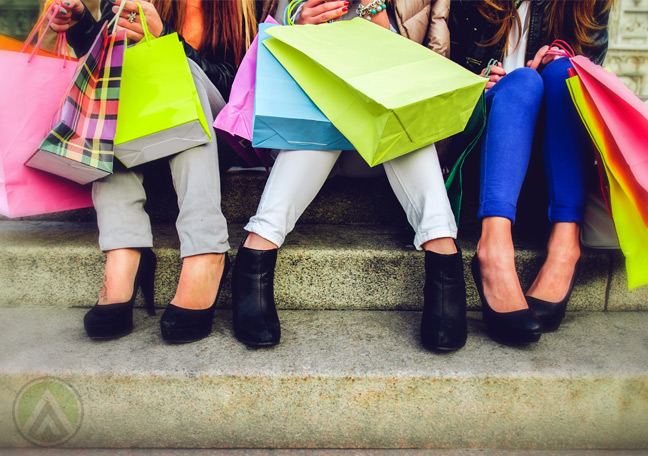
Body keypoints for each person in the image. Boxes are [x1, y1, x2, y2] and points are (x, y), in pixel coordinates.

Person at [232, 0, 468, 352]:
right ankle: (258, 249)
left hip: (377, 145)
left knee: (406, 126)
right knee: (321, 123)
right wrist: (296, 20)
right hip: (305, 141)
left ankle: (441, 252)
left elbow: (428, 76)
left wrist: (375, 13)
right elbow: (259, 34)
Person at [49, 0, 262, 343]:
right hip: (141, 141)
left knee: (183, 68)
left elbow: (245, 87)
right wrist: (80, 26)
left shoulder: (244, 5)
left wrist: (166, 37)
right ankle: (124, 250)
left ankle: (206, 250)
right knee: (116, 76)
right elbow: (102, 63)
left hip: (218, 139)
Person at [448, 0, 613, 345]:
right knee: (522, 81)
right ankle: (493, 249)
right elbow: (439, 65)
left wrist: (570, 64)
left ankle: (565, 247)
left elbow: (596, 91)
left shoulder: (589, 4)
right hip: (483, 156)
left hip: (550, 173)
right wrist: (474, 81)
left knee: (565, 73)